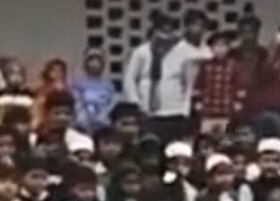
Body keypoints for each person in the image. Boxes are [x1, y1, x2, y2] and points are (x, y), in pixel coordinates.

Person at [123, 11, 209, 143]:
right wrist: (135, 103)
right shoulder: (141, 52)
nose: (165, 35)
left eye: (169, 31)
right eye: (162, 31)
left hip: (175, 111)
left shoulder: (183, 51)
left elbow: (190, 82)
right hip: (147, 111)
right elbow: (129, 79)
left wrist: (185, 109)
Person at [192, 30, 244, 137]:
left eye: (223, 46)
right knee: (206, 137)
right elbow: (198, 85)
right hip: (208, 110)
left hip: (226, 109)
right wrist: (197, 102)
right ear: (211, 48)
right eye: (217, 46)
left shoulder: (234, 66)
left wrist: (238, 102)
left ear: (228, 48)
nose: (220, 49)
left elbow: (240, 86)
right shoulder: (205, 65)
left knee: (224, 137)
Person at [70, 48, 116, 135]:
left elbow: (111, 103)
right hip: (82, 122)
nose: (95, 63)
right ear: (86, 62)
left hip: (103, 122)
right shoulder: (78, 82)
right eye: (91, 59)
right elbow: (76, 102)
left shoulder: (108, 85)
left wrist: (103, 114)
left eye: (98, 59)